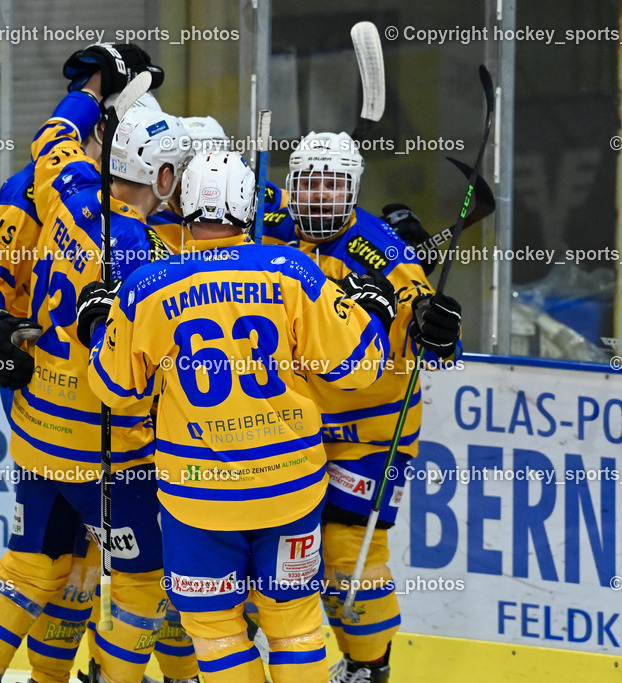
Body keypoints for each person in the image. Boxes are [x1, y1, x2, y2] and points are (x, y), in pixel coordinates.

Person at [77, 150, 399, 683]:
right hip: (289, 488)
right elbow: (359, 368)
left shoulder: (148, 287)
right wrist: (373, 313)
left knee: (216, 631)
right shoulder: (293, 271)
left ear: (183, 204)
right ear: (249, 206)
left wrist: (99, 327)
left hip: (198, 495)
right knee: (294, 626)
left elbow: (115, 391)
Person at [0, 48, 193, 683]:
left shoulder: (64, 185)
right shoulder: (142, 250)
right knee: (138, 579)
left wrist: (89, 87)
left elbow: (54, 135)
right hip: (108, 446)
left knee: (41, 566)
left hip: (41, 426)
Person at [264, 132, 462, 683]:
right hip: (296, 426)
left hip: (370, 433)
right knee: (277, 544)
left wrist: (440, 333)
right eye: (310, 184)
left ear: (353, 190)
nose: (320, 196)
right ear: (292, 186)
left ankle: (368, 666)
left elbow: (432, 334)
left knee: (347, 549)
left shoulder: (384, 253)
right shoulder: (270, 229)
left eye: (333, 185)